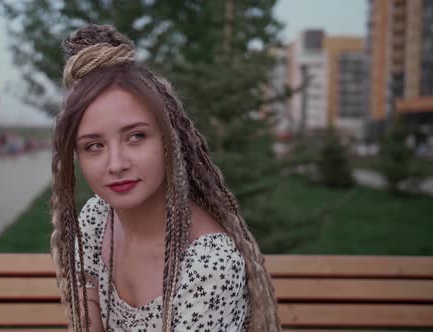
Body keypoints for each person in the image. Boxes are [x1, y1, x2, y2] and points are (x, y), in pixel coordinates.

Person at [50, 24, 281, 332]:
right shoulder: (97, 217)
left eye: (136, 136)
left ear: (169, 140)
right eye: (94, 146)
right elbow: (87, 301)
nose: (116, 164)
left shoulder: (207, 264)